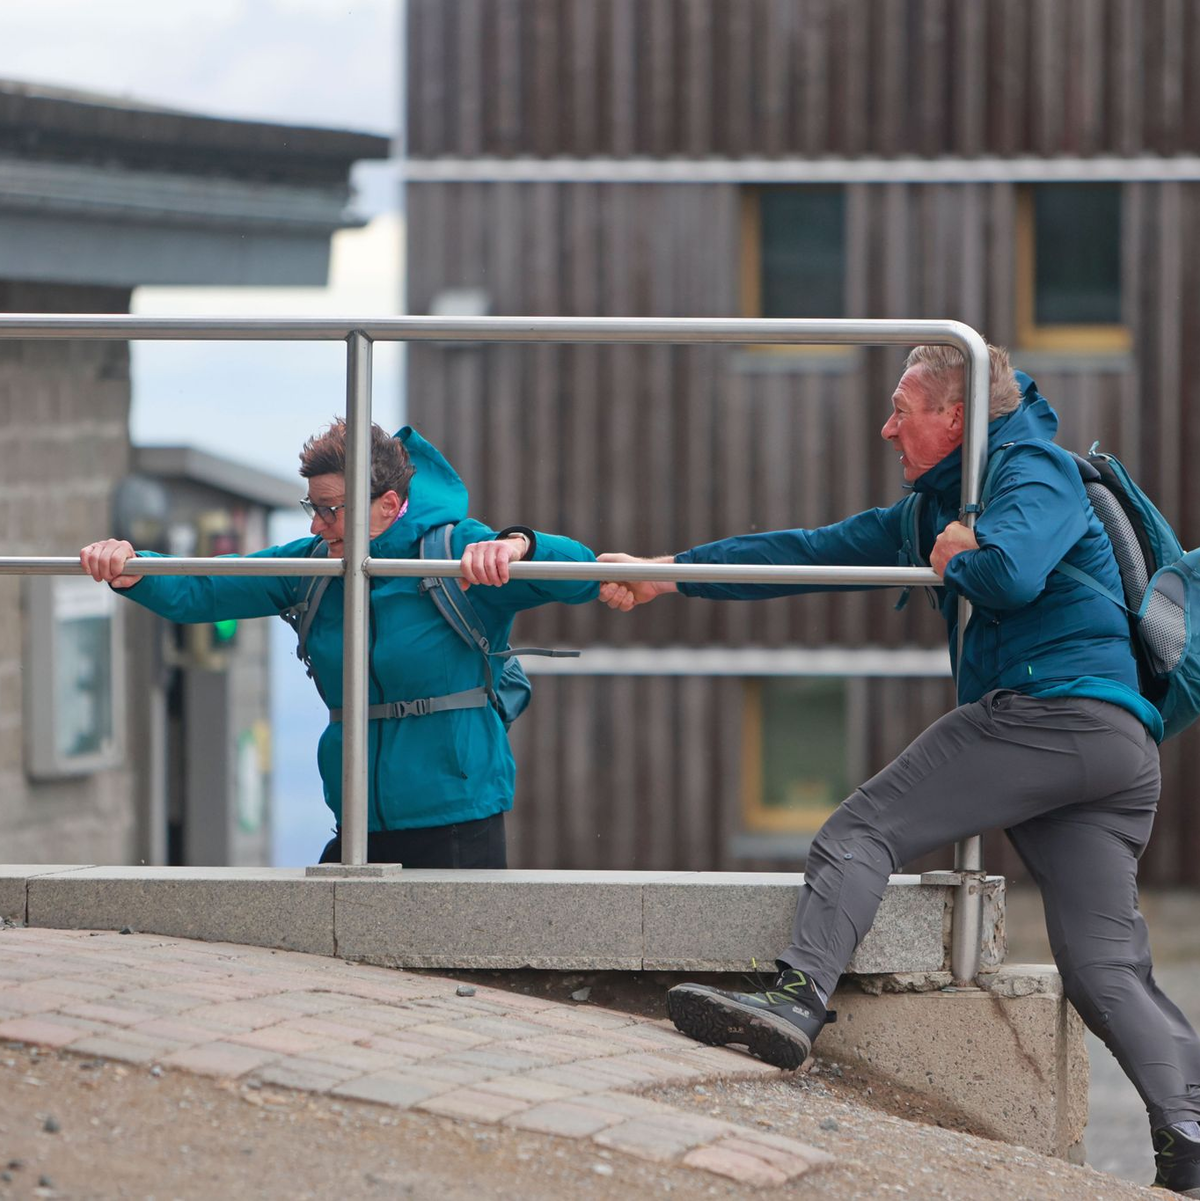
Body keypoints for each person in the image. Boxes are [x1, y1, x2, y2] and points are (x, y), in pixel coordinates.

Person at [598, 344, 1200, 1197]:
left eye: (900, 409)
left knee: (862, 827)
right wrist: (664, 575)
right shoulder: (931, 507)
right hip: (1108, 747)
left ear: (954, 416)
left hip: (1052, 712)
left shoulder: (1033, 470)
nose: (886, 427)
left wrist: (959, 557)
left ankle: (797, 1001)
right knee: (1104, 968)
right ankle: (1188, 1135)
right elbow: (805, 552)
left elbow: (1012, 572)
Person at [81, 420, 598, 869]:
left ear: (389, 505)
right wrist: (133, 566)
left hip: (460, 821)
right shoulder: (317, 565)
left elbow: (583, 576)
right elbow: (204, 590)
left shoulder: (456, 550)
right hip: (357, 817)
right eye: (313, 506)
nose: (315, 523)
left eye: (331, 510)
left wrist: (520, 544)